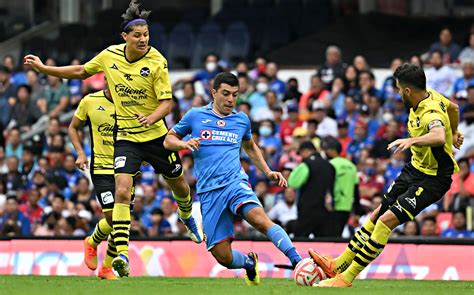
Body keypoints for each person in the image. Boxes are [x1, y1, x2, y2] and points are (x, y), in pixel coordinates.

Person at [24, 0, 203, 277]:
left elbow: (167, 104)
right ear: (125, 37)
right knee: (122, 191)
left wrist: (152, 117)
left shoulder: (157, 62)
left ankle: (186, 214)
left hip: (156, 136)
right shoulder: (109, 57)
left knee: (179, 186)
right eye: (138, 35)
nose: (143, 40)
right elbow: (82, 71)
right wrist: (46, 70)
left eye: (146, 35)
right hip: (127, 138)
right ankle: (121, 255)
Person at [309, 63, 463, 287]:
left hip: (433, 179)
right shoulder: (430, 97)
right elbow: (455, 108)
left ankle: (347, 277)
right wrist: (456, 131)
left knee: (385, 222)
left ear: (408, 90)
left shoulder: (430, 112)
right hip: (414, 169)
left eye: (399, 89)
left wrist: (413, 140)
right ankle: (337, 264)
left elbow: (438, 136)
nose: (398, 93)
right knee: (376, 214)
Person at [164, 73, 301, 286]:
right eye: (226, 94)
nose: (230, 99)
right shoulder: (195, 116)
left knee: (260, 220)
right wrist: (184, 144)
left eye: (235, 95)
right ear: (214, 93)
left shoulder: (241, 120)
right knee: (223, 257)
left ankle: (297, 261)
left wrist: (268, 171)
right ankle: (248, 263)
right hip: (209, 192)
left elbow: (250, 146)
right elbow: (168, 140)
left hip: (234, 183)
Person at [69, 83, 124, 280]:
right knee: (112, 217)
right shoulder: (90, 101)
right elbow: (73, 127)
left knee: (122, 223)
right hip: (101, 168)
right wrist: (81, 153)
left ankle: (106, 268)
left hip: (126, 169)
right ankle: (92, 242)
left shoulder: (131, 102)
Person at [288, 141, 335, 238]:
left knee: (300, 238)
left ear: (305, 152)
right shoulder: (330, 166)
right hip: (325, 210)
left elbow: (293, 183)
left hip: (308, 209)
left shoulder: (306, 164)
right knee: (322, 241)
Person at [322, 137, 359, 237]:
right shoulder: (351, 165)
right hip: (346, 207)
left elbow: (327, 185)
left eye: (327, 150)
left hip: (333, 206)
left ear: (332, 151)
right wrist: (356, 211)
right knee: (338, 235)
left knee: (329, 237)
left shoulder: (330, 164)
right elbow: (356, 189)